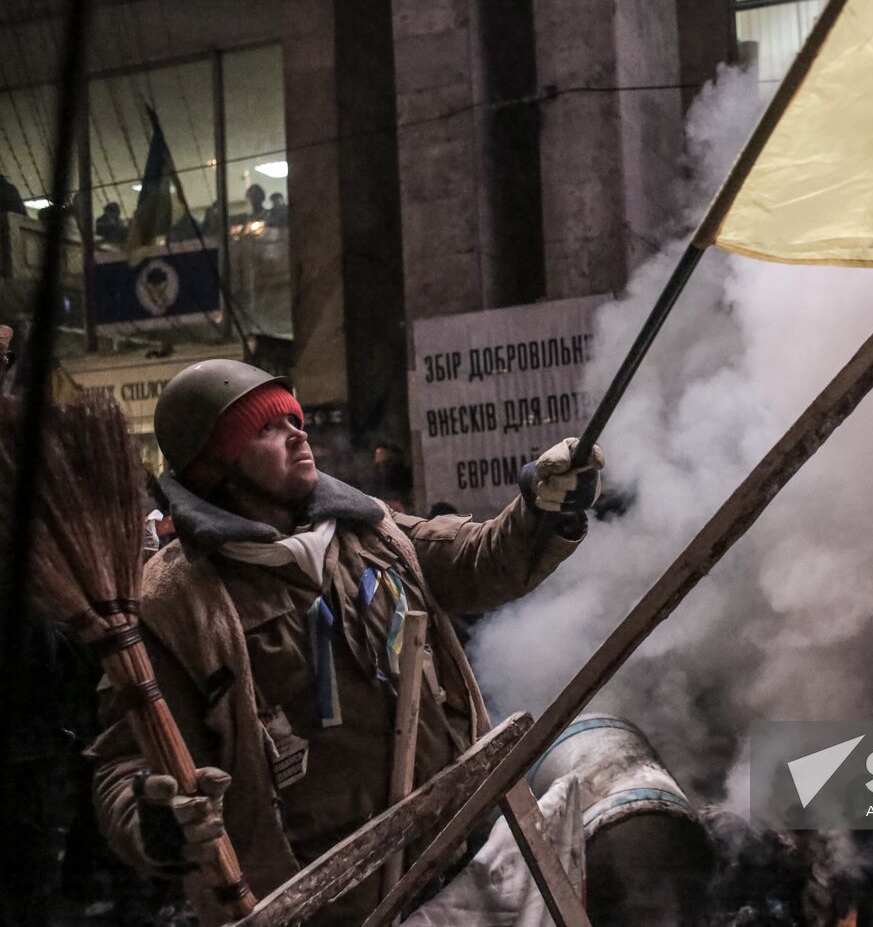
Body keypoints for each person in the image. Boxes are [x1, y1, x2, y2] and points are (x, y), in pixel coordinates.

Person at [88, 359, 604, 925]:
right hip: (317, 905)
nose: (298, 433)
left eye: (294, 419)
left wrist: (542, 511)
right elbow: (126, 763)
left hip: (458, 852)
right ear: (217, 466)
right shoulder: (170, 604)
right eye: (266, 428)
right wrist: (154, 821)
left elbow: (479, 559)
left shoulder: (371, 532)